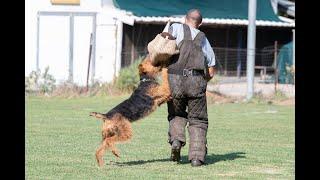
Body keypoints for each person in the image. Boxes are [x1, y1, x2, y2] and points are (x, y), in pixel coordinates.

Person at [166, 9, 216, 167]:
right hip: (196, 82)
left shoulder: (174, 27)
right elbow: (212, 69)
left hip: (174, 81)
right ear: (200, 23)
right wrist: (202, 80)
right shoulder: (203, 38)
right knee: (198, 120)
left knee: (176, 114)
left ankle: (176, 141)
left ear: (184, 18)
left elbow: (161, 47)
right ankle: (196, 157)